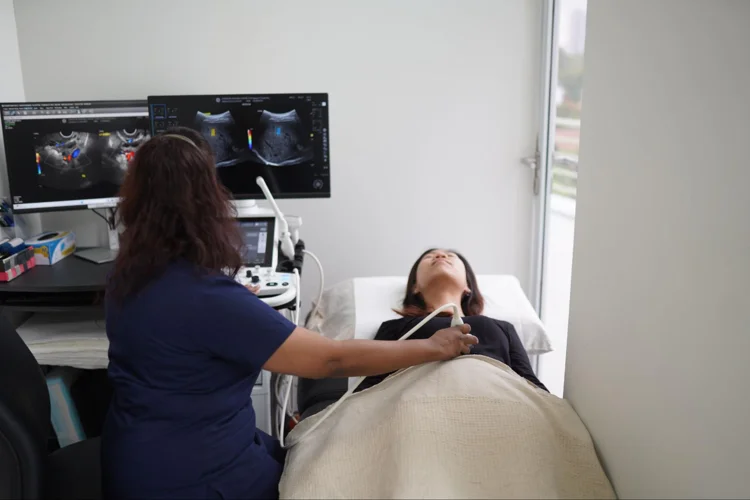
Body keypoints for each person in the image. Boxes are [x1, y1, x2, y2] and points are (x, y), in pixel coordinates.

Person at [102, 128, 478, 500]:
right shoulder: (210, 301)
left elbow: (184, 330)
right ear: (207, 203)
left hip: (136, 456)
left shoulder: (128, 275)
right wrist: (432, 347)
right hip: (193, 478)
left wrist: (235, 308)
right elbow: (331, 359)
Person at [356, 248, 547, 392]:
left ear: (467, 286)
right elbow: (367, 391)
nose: (441, 257)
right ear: (415, 287)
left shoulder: (501, 328)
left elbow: (533, 388)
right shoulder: (396, 328)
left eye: (450, 256)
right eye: (430, 257)